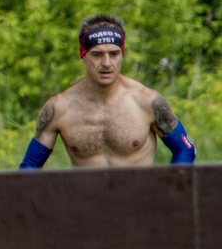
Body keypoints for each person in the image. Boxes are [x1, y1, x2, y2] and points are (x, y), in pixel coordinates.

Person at [23, 15, 197, 168]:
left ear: (122, 54)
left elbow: (185, 149)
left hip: (140, 201)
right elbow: (30, 166)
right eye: (97, 54)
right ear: (83, 56)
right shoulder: (59, 108)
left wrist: (171, 193)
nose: (107, 63)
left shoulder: (146, 101)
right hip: (87, 203)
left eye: (113, 54)